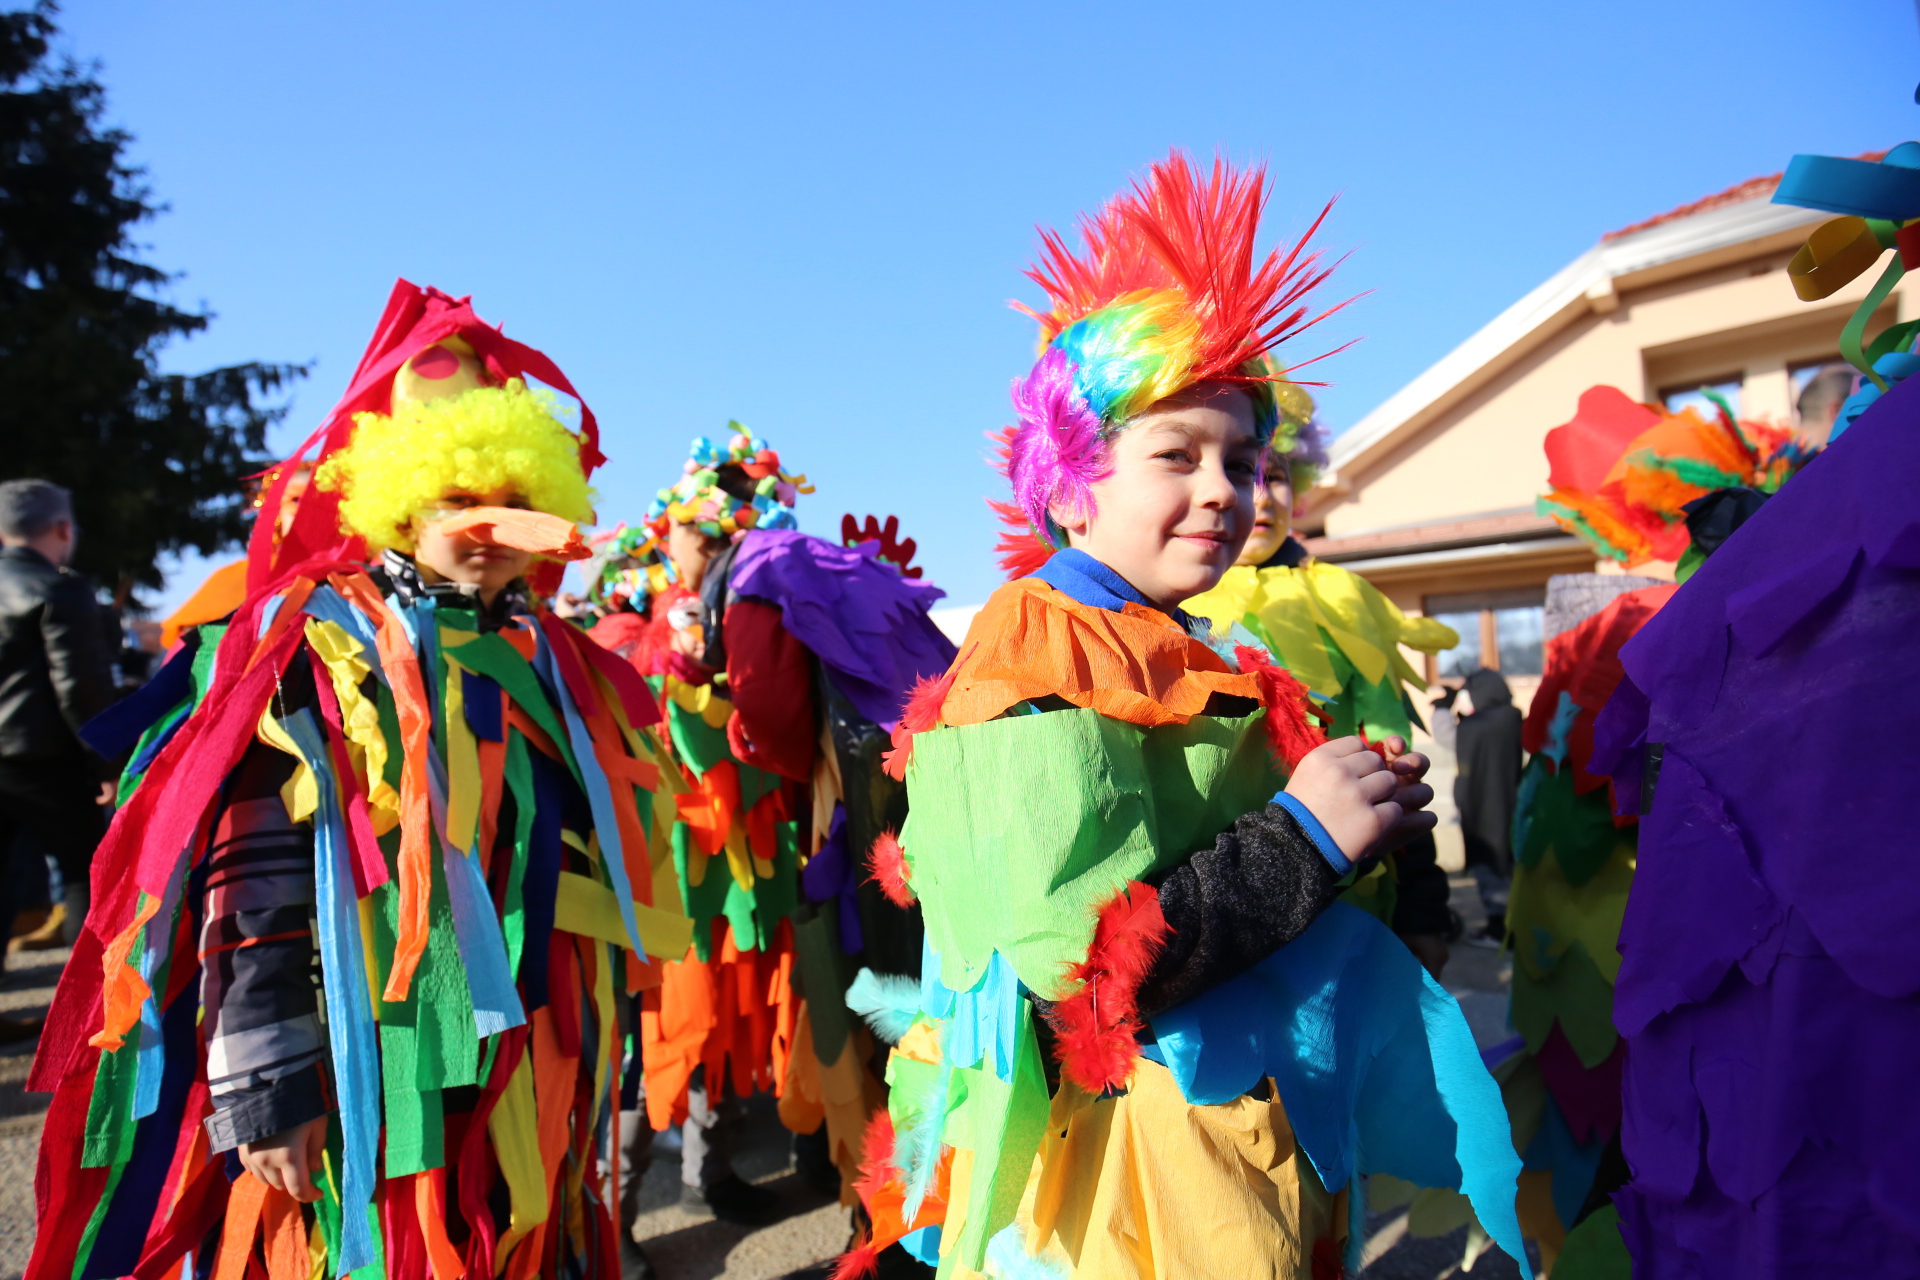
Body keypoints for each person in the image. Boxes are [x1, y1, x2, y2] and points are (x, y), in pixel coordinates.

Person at [838, 152, 1528, 1279]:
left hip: (1229, 1121)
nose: (1223, 489)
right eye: (1177, 453)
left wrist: (1378, 847)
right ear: (1069, 482)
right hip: (1137, 1163)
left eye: (1244, 460)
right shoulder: (1040, 639)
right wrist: (1305, 835)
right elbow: (1079, 962)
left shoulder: (1195, 642)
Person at [25, 282, 689, 1280]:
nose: (491, 529)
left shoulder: (555, 665)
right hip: (367, 1085)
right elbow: (255, 881)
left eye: (512, 503)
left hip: (521, 1076)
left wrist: (607, 1036)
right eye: (461, 502)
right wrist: (272, 1085)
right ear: (401, 499)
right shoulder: (316, 650)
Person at [590, 433, 956, 1248]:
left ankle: (896, 1220)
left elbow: (776, 726)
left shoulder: (752, 579)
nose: (667, 552)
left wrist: (737, 731)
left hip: (858, 814)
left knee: (864, 1003)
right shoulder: (795, 558)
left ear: (704, 528)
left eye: (673, 534)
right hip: (916, 790)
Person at [1182, 382, 1460, 976]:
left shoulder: (1342, 596)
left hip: (1352, 895)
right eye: (1242, 472)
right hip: (1216, 907)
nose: (1257, 496)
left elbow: (1390, 751)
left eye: (1274, 475)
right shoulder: (1177, 598)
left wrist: (1423, 907)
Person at [0, 478, 117, 1002]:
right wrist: (106, 763)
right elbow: (80, 688)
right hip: (49, 762)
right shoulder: (60, 589)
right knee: (84, 878)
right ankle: (91, 1014)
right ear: (63, 529)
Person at [1454, 666, 1522, 947]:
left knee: (1489, 860)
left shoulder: (1474, 726)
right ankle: (1514, 925)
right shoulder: (1514, 718)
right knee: (1510, 861)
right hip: (1511, 799)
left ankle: (1498, 929)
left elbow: (1451, 741)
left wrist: (1444, 713)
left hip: (1482, 806)